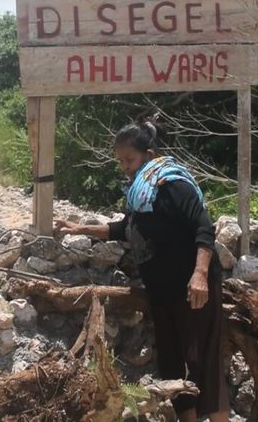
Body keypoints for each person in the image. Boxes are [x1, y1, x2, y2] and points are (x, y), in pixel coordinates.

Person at [54, 121, 229, 422]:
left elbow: (203, 227)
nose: (124, 167)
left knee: (204, 364)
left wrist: (200, 275)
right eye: (120, 161)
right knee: (174, 365)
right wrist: (80, 228)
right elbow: (126, 228)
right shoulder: (141, 193)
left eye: (129, 160)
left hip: (193, 291)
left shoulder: (172, 185)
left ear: (149, 154)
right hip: (163, 294)